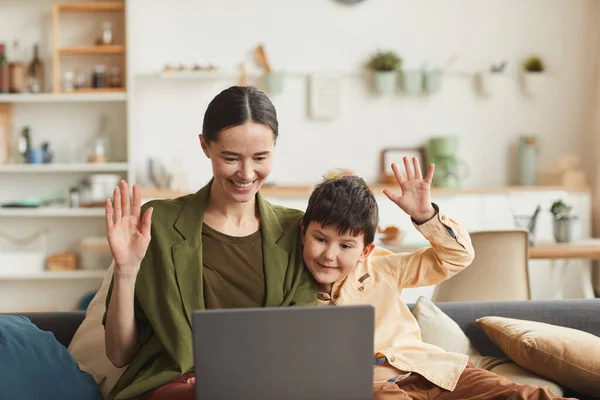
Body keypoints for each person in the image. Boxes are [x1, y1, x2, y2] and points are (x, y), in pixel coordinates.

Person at [103, 86, 317, 400]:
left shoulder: (295, 231)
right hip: (176, 389)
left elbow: (302, 344)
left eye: (260, 158)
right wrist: (125, 270)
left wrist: (419, 221)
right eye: (230, 158)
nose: (246, 173)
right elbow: (119, 355)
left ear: (275, 148)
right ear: (205, 146)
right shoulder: (156, 225)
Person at [300, 158, 573, 400]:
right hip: (376, 387)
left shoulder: (383, 267)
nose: (329, 254)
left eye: (346, 246)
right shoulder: (289, 286)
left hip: (433, 372)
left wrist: (425, 215)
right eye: (320, 239)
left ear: (365, 250)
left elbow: (457, 257)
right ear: (304, 232)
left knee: (527, 396)